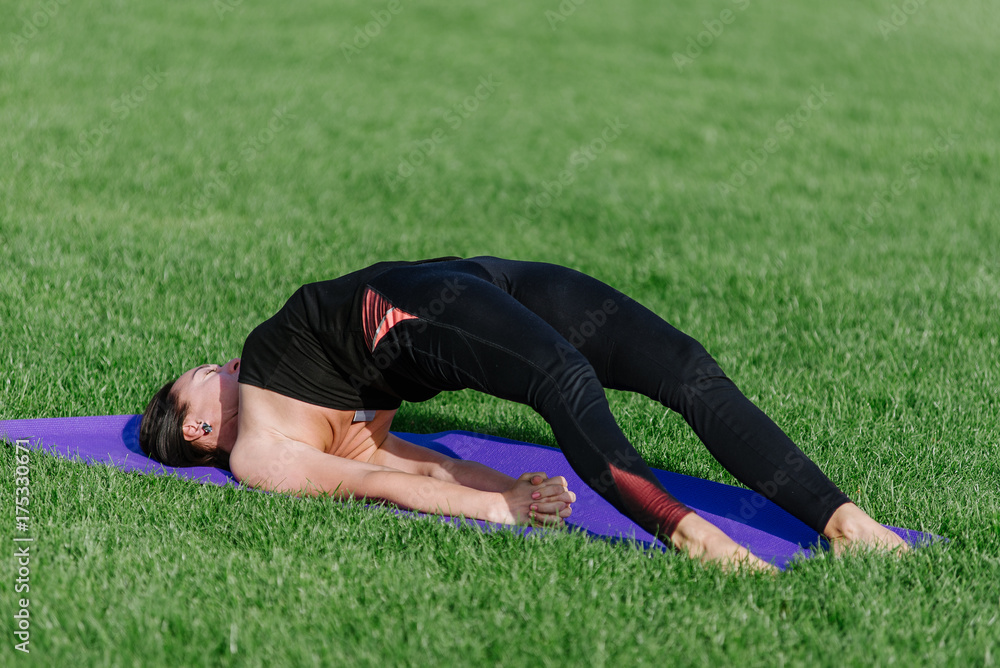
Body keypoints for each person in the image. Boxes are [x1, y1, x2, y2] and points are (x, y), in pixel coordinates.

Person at [140, 255, 907, 572]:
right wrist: (500, 500)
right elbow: (395, 479)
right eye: (204, 377)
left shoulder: (275, 376)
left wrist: (498, 496)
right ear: (198, 428)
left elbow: (409, 468)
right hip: (419, 312)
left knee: (682, 364)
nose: (223, 365)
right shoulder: (262, 452)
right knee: (564, 379)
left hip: (470, 280)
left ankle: (841, 518)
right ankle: (693, 535)